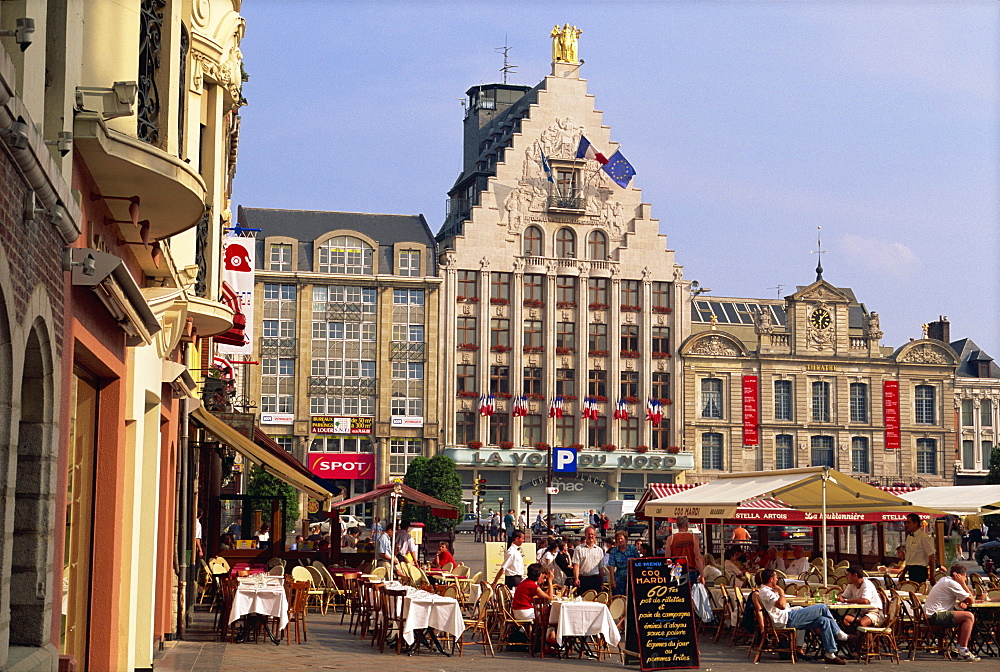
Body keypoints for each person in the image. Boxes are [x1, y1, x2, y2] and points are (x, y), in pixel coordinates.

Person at [758, 567, 850, 665]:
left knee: (824, 620)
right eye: (776, 577)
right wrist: (782, 593)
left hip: (788, 616)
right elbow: (782, 605)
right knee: (822, 607)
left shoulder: (769, 590)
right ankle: (840, 634)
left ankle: (830, 654)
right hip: (786, 619)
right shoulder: (765, 591)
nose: (777, 579)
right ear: (771, 579)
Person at [922, 563, 980, 661]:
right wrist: (963, 584)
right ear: (960, 576)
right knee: (969, 616)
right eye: (964, 577)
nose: (965, 579)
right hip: (935, 616)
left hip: (929, 615)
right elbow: (971, 600)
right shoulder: (953, 583)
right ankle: (963, 649)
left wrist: (963, 601)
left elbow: (961, 598)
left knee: (964, 617)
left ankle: (959, 647)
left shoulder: (944, 580)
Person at [839, 566, 885, 630]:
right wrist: (839, 598)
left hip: (875, 612)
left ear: (855, 575)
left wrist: (846, 600)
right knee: (844, 619)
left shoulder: (867, 584)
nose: (846, 577)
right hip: (861, 613)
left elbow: (866, 601)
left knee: (862, 622)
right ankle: (853, 636)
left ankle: (867, 639)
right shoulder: (851, 584)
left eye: (848, 575)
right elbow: (844, 597)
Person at [665, 516, 704, 581]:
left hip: (676, 571)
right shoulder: (694, 538)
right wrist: (702, 575)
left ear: (677, 525)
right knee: (690, 590)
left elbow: (667, 558)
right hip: (690, 570)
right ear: (687, 524)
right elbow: (697, 558)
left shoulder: (670, 539)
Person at [903, 512, 936, 584]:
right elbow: (909, 558)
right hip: (910, 569)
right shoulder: (909, 537)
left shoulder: (923, 537)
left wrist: (932, 575)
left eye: (909, 522)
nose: (906, 525)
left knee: (918, 593)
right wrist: (903, 573)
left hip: (920, 570)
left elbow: (931, 555)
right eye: (906, 522)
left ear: (915, 523)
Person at [572, 526, 605, 592]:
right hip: (583, 579)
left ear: (595, 535)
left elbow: (601, 568)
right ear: (585, 535)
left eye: (592, 534)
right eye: (589, 534)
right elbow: (576, 565)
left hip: (595, 579)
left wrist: (602, 583)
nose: (590, 536)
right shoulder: (579, 549)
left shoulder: (599, 550)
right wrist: (576, 578)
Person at [606, 530, 639, 595]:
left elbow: (637, 561)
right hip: (619, 577)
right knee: (618, 597)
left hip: (631, 576)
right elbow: (611, 566)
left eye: (621, 538)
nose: (620, 540)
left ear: (626, 539)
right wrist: (612, 580)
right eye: (618, 539)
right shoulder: (614, 551)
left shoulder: (632, 549)